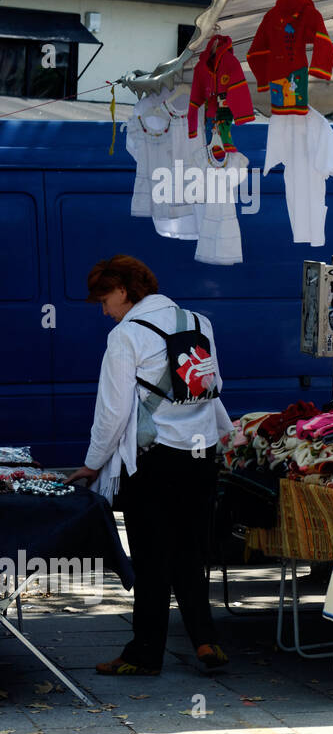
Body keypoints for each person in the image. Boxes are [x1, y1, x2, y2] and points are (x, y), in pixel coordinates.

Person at [66, 256, 232, 676]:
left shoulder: (127, 336)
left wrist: (92, 464)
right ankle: (206, 641)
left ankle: (144, 652)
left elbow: (113, 412)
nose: (104, 310)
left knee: (152, 558)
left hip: (153, 462)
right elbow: (213, 388)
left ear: (124, 290)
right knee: (192, 552)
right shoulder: (198, 322)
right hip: (201, 456)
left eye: (104, 299)